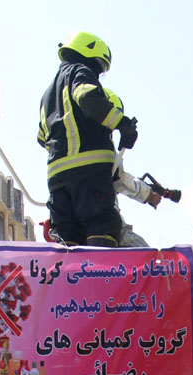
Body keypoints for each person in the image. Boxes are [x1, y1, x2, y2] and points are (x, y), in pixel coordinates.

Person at [38, 31, 144, 247]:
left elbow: (42, 137)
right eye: (99, 67)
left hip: (57, 181)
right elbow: (87, 97)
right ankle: (100, 276)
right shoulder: (80, 71)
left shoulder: (48, 95)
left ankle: (73, 278)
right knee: (102, 226)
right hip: (90, 174)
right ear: (90, 53)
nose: (98, 74)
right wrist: (121, 124)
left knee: (68, 237)